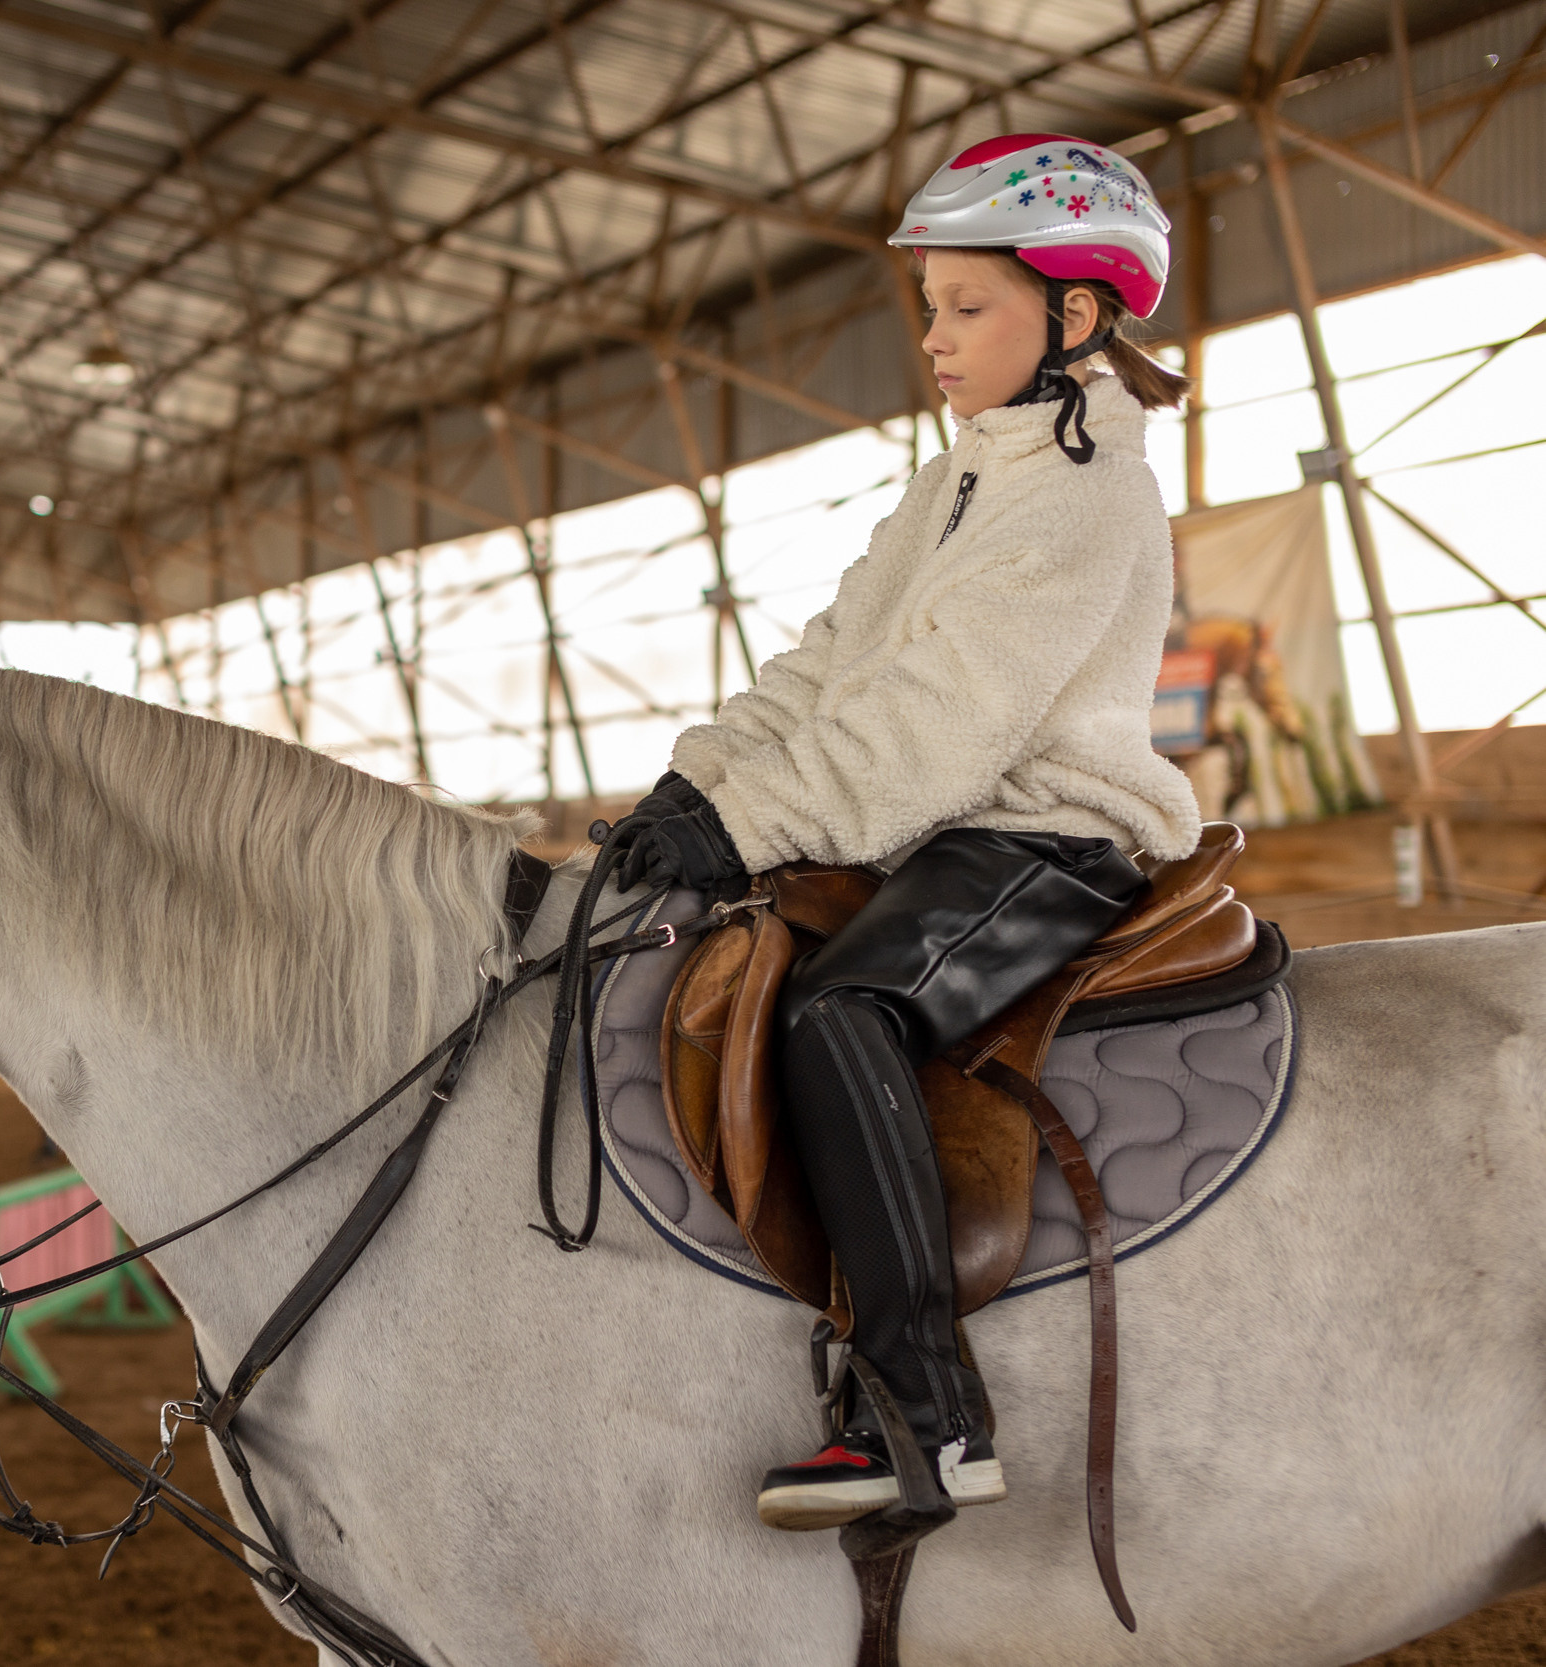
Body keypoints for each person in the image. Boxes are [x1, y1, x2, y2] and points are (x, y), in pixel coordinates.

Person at [599, 134, 1200, 1531]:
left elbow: (944, 716)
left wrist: (748, 819)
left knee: (840, 1007)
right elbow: (831, 659)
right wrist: (696, 787)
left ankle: (925, 1411)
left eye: (967, 307)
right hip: (937, 831)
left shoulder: (1087, 490)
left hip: (1046, 837)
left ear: (1075, 312)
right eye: (931, 307)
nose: (932, 338)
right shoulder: (957, 479)